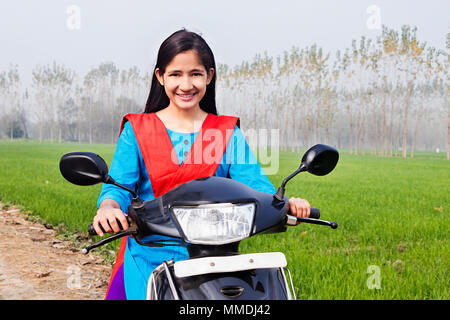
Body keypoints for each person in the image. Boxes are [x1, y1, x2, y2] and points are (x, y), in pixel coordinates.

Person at [94, 29, 311, 300]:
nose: (186, 85)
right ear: (160, 76)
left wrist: (285, 203)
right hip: (149, 258)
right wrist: (108, 208)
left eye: (195, 74)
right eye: (176, 74)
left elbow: (255, 185)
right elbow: (118, 188)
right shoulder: (137, 130)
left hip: (216, 260)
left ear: (209, 76)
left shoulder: (226, 131)